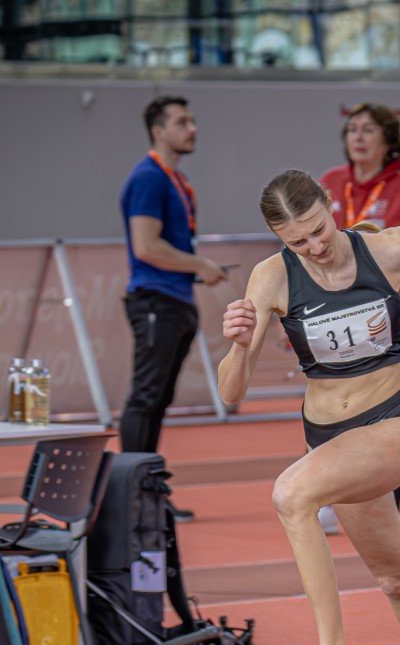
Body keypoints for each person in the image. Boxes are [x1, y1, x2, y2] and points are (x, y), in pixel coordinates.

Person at [216, 170, 400, 645]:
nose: (314, 246)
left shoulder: (383, 248)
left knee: (291, 494)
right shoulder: (272, 278)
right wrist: (239, 347)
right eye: (296, 241)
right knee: (396, 578)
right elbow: (231, 393)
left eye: (317, 229)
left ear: (330, 207)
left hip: (394, 422)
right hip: (332, 439)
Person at [320, 102, 400, 515]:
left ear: (388, 140)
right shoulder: (330, 183)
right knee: (338, 404)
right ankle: (339, 489)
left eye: (368, 130)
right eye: (352, 129)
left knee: (386, 411)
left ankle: (387, 500)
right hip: (338, 318)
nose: (357, 137)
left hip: (397, 320)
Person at [120, 95, 229, 521]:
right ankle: (131, 495)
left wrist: (197, 269)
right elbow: (146, 246)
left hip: (175, 298)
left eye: (193, 120)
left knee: (158, 398)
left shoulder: (174, 180)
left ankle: (144, 492)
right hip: (156, 299)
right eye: (183, 122)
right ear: (158, 130)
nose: (193, 128)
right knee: (146, 396)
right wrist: (199, 264)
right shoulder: (148, 177)